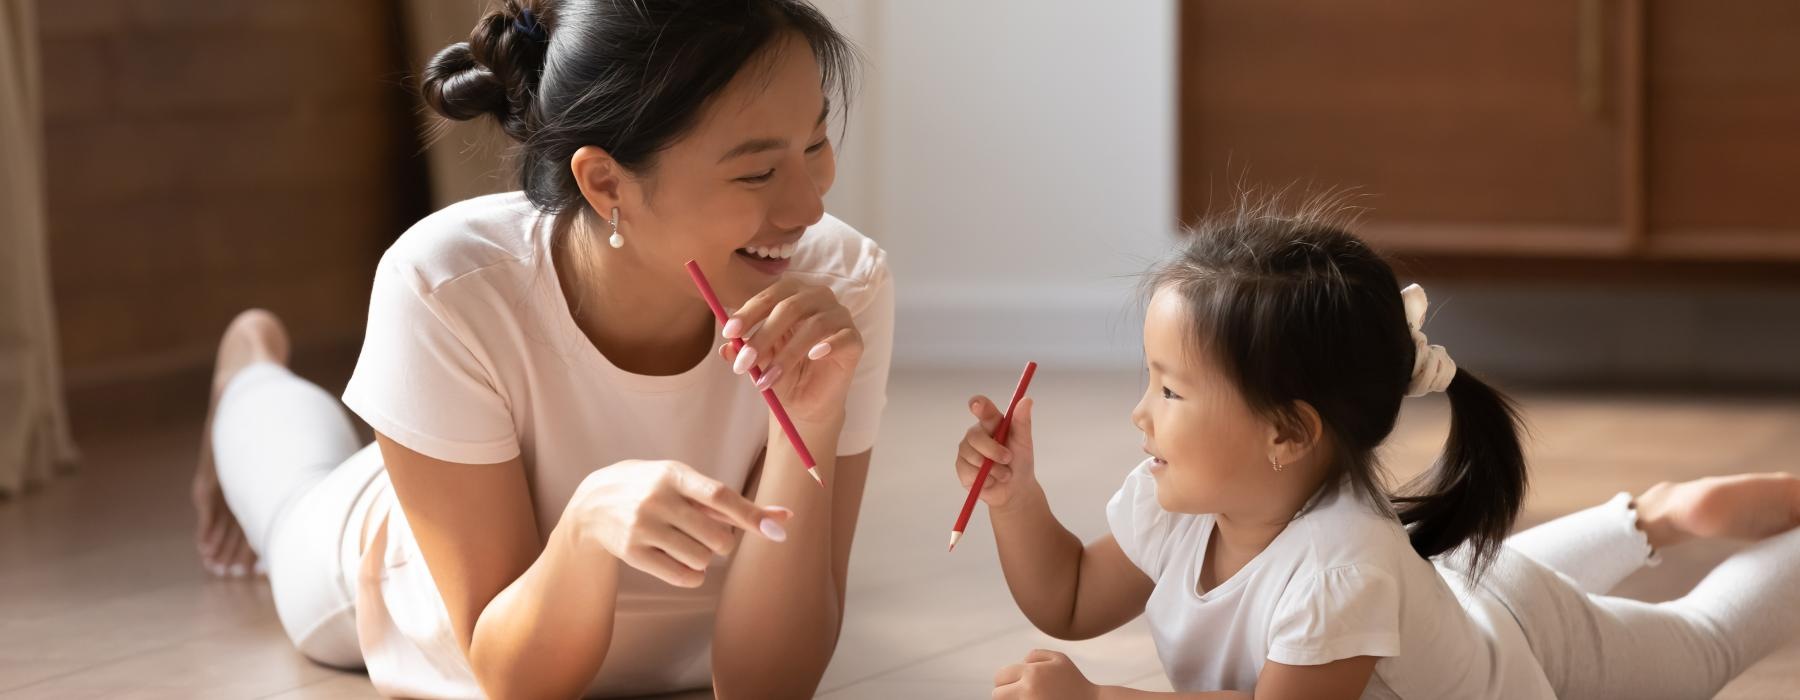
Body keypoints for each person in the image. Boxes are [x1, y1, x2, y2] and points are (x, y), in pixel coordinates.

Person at [190, 1, 891, 696]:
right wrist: (585, 528)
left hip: (617, 602)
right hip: (398, 574)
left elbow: (767, 687)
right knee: (291, 498)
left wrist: (814, 420)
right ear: (606, 181)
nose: (809, 209)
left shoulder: (842, 285)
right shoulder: (448, 284)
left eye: (814, 145)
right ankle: (248, 366)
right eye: (757, 173)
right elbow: (515, 678)